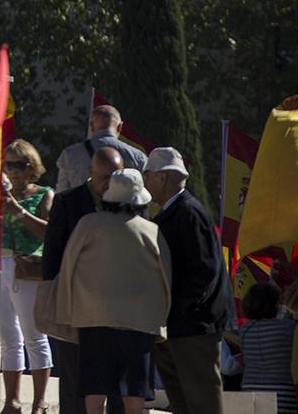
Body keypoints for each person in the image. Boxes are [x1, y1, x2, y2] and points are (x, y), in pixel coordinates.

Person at [51, 169, 171, 414]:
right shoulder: (151, 231)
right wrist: (161, 321)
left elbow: (68, 267)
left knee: (94, 393)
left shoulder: (88, 224)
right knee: (134, 393)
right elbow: (165, 279)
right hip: (139, 324)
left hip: (94, 320)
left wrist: (66, 313)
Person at [144, 146, 232, 414]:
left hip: (193, 328)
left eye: (147, 176)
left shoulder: (189, 214)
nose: (145, 182)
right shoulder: (176, 213)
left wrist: (173, 309)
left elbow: (203, 272)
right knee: (182, 402)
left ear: (161, 177)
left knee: (201, 401)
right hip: (179, 326)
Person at [40, 143, 125, 414]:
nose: (109, 184)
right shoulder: (67, 202)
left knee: (115, 384)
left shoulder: (130, 203)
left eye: (116, 176)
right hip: (76, 308)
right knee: (75, 382)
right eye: (104, 178)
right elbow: (52, 258)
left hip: (116, 312)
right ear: (90, 172)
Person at [0, 140, 55, 414]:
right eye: (8, 164)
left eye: (18, 164)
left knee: (34, 336)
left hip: (26, 267)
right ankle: (12, 402)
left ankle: (39, 403)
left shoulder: (45, 194)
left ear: (31, 167)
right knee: (7, 337)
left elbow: (50, 232)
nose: (12, 170)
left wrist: (19, 210)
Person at [53, 105, 150, 192]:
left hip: (81, 211)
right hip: (122, 211)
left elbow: (62, 191)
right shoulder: (137, 156)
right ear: (120, 127)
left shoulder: (70, 154)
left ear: (91, 126)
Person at [238, 283, 296, 414]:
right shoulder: (289, 328)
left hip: (250, 394)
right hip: (283, 396)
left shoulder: (244, 331)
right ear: (275, 305)